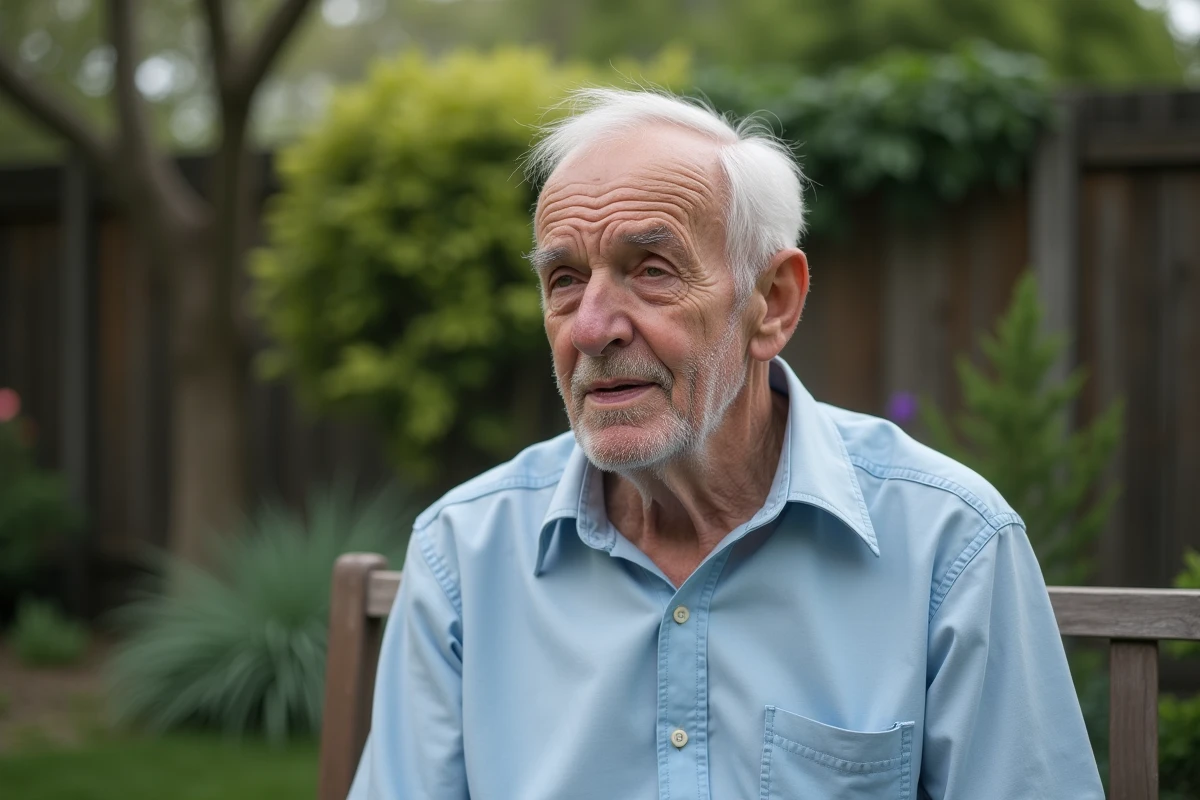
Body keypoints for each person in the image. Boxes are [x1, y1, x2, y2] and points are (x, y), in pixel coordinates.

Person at [348, 88, 1103, 799]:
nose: (591, 327)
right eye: (565, 280)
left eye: (651, 270)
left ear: (771, 304)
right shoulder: (464, 554)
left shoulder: (949, 545)